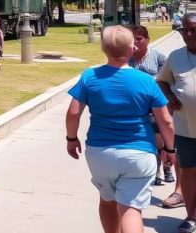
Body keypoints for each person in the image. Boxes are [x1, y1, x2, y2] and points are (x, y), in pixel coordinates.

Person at [66, 25, 175, 233]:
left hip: (100, 152)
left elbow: (73, 113)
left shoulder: (89, 76)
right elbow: (166, 121)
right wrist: (169, 150)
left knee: (107, 201)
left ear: (103, 48)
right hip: (139, 152)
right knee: (131, 209)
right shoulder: (146, 81)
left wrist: (71, 138)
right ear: (132, 47)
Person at [157, 13, 196, 233]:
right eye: (184, 30)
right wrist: (169, 97)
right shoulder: (175, 57)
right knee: (189, 173)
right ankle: (191, 216)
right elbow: (162, 80)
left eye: (193, 29)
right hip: (186, 128)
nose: (188, 35)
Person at [129, 25, 177, 193]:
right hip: (136, 107)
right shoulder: (127, 58)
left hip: (155, 105)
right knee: (147, 140)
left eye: (139, 39)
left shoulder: (158, 57)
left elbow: (167, 78)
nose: (135, 42)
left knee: (160, 138)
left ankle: (167, 167)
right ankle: (155, 172)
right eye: (132, 39)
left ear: (147, 40)